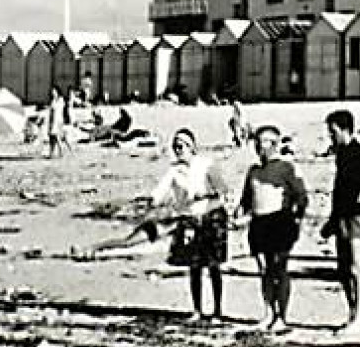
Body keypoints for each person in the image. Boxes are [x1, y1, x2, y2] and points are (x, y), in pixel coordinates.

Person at [78, 128, 229, 321]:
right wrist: (147, 206)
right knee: (194, 267)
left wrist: (205, 196)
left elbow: (224, 192)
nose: (178, 149)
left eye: (182, 145)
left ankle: (217, 310)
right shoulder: (175, 171)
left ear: (193, 146)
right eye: (176, 146)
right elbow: (158, 194)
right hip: (188, 219)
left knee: (213, 266)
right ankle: (197, 310)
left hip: (210, 217)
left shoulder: (207, 165)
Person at [236, 125, 308, 331]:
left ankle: (282, 316)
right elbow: (246, 199)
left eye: (265, 141)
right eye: (257, 142)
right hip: (258, 224)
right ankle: (268, 312)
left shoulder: (287, 167)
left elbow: (301, 196)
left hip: (280, 221)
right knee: (264, 270)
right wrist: (239, 213)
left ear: (275, 144)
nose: (260, 146)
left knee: (280, 269)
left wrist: (295, 220)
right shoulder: (254, 171)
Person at [323, 109, 360, 335]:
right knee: (344, 268)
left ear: (344, 129)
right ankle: (352, 312)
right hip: (343, 215)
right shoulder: (341, 154)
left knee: (358, 267)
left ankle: (359, 317)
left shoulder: (359, 152)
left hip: (357, 215)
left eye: (333, 132)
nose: (331, 136)